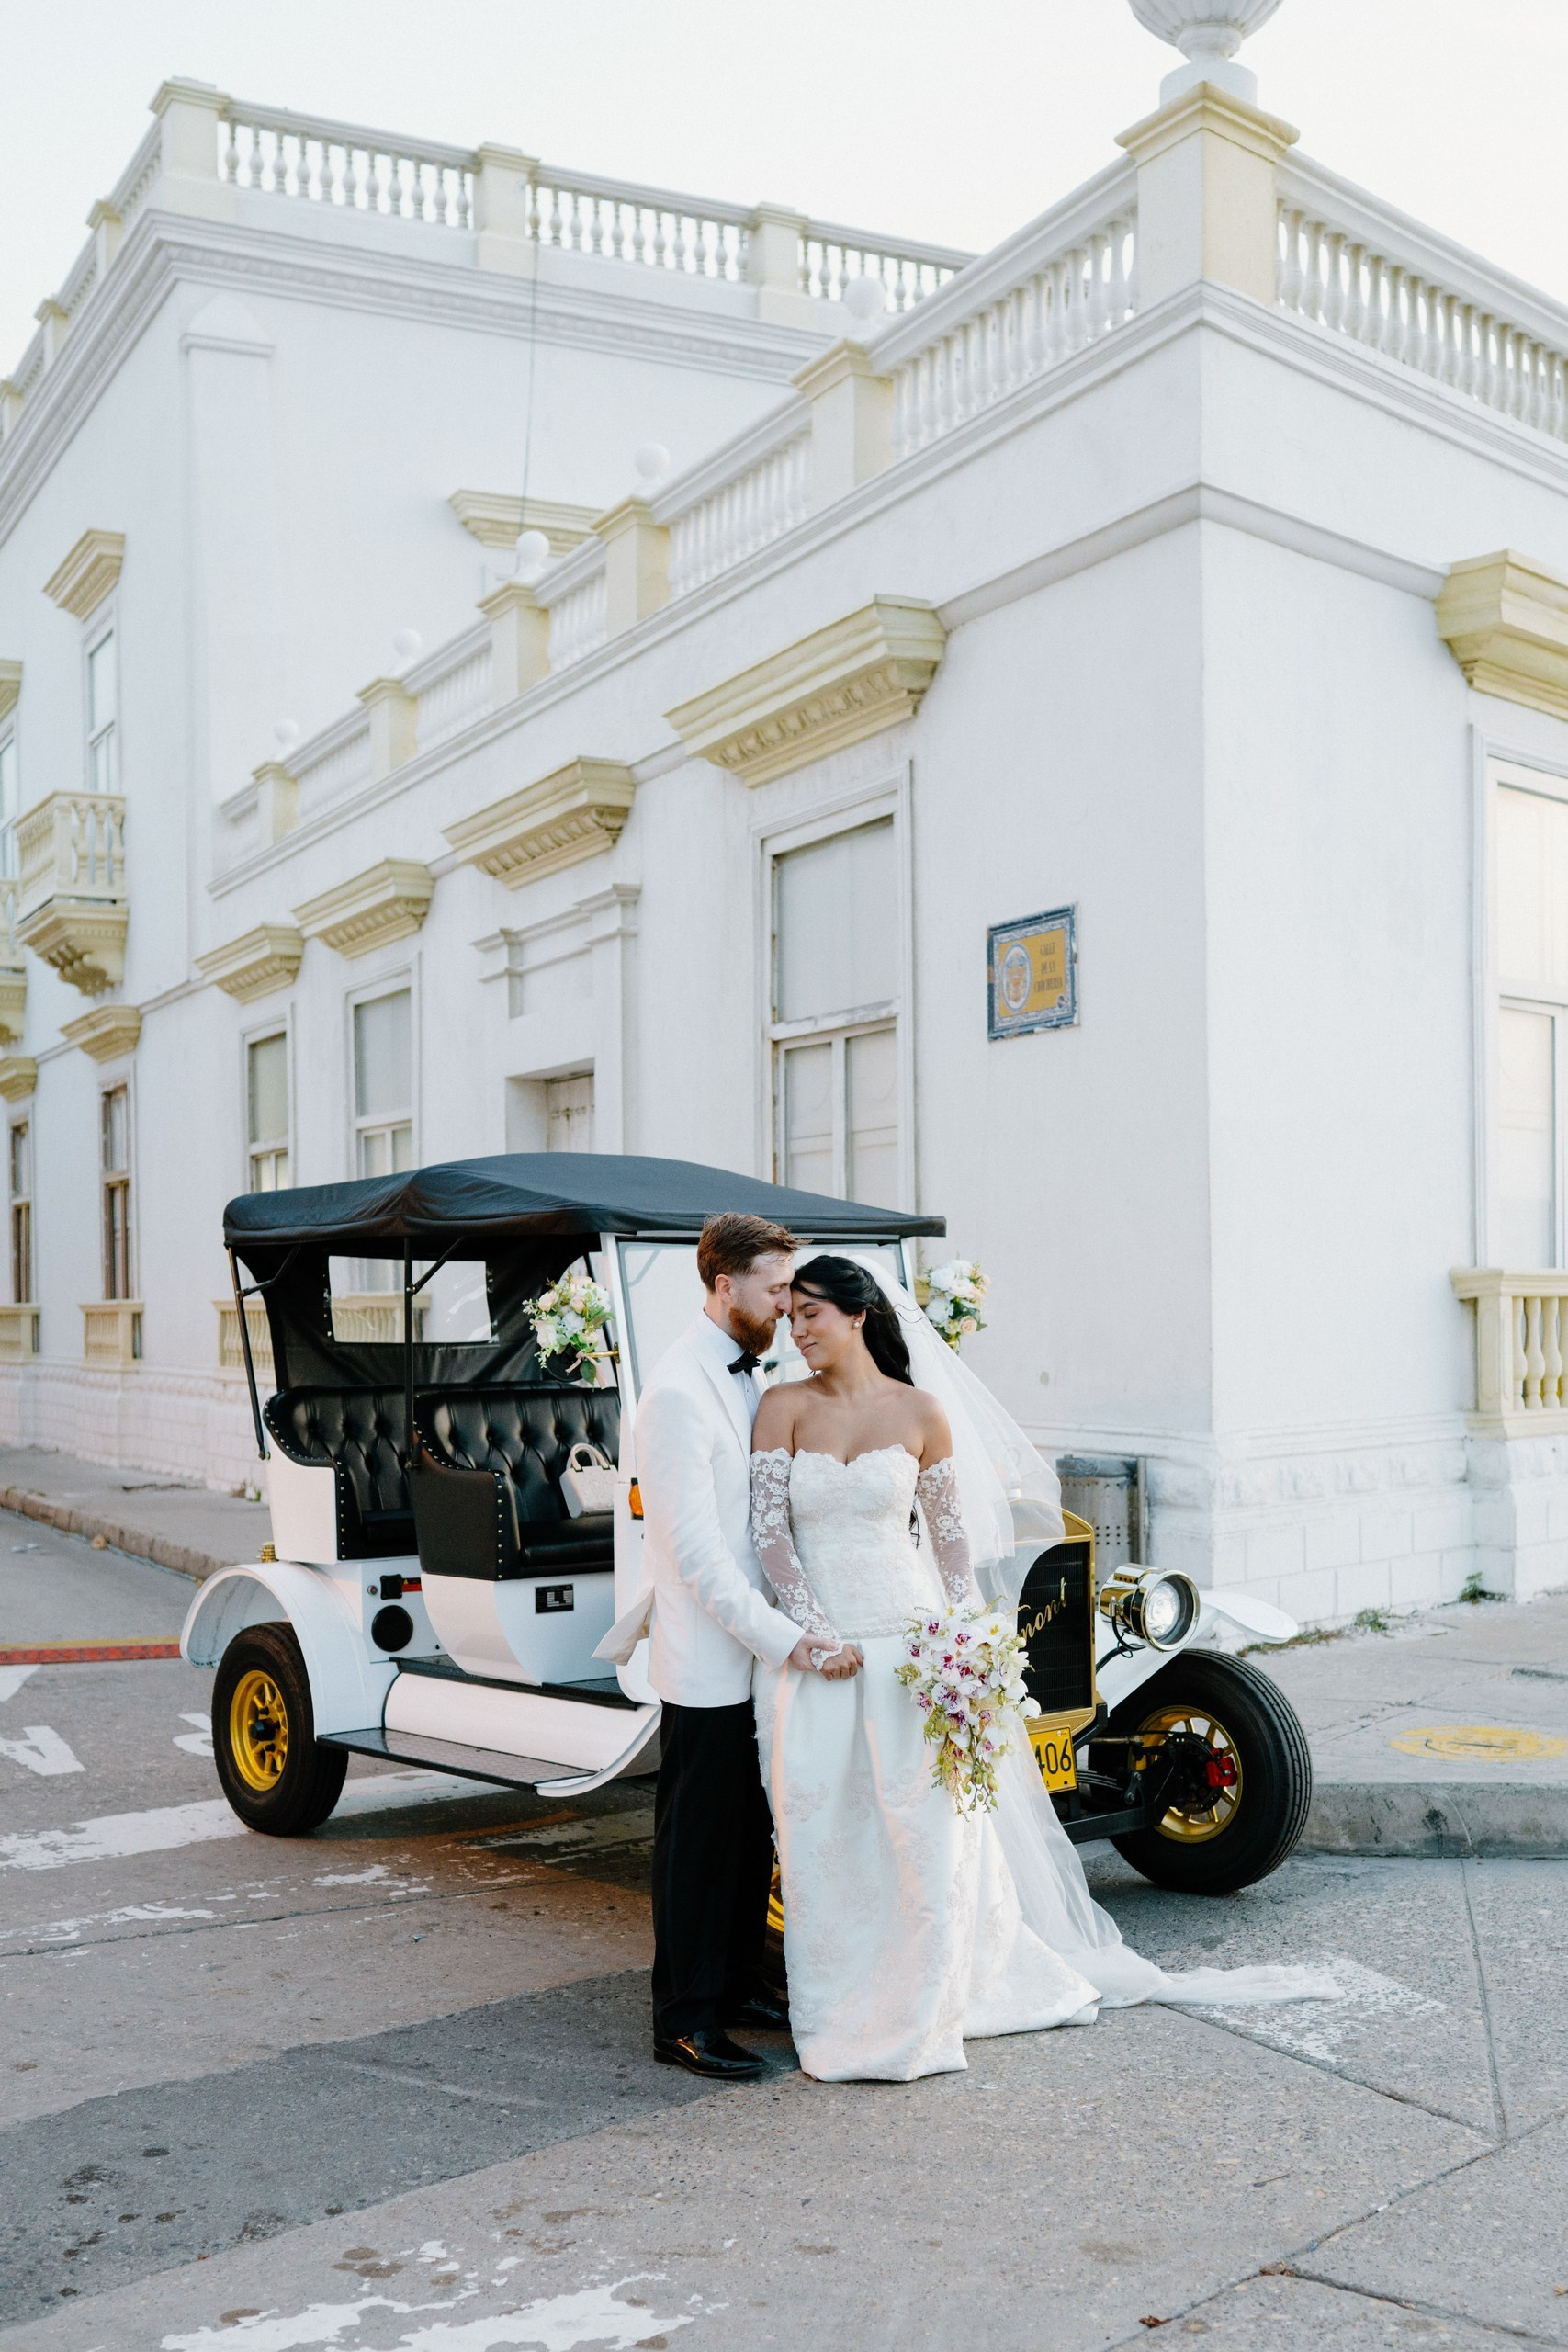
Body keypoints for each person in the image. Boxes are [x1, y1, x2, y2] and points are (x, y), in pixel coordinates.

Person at [750, 1254, 1339, 2084]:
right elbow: (769, 1535)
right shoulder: (781, 1409)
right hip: (819, 1662)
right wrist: (813, 1632)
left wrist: (962, 1643)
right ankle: (842, 2004)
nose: (796, 1329)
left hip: (917, 1652)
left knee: (928, 1838)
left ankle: (930, 2000)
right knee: (828, 1838)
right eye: (790, 1315)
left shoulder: (920, 1412)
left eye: (809, 1312)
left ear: (854, 1315)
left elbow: (951, 1544)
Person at [601, 1212, 860, 2083]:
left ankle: (741, 1981)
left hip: (755, 1653)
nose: (789, 1304)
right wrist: (788, 1641)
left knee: (752, 1830)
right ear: (724, 1285)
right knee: (698, 1843)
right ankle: (682, 2015)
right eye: (775, 1287)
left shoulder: (756, 1371)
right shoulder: (676, 1391)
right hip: (712, 1655)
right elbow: (698, 1557)